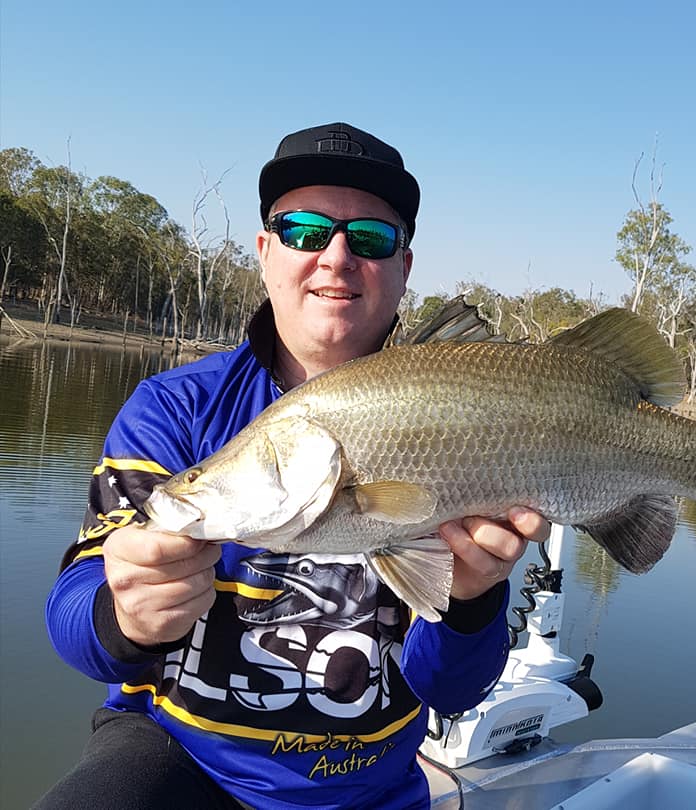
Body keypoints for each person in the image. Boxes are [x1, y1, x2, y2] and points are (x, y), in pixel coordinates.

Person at [40, 122, 550, 810]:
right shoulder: (177, 410)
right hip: (178, 762)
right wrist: (122, 615)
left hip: (370, 794)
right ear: (264, 253)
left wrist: (472, 598)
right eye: (304, 230)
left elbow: (453, 691)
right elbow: (73, 619)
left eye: (370, 239)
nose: (336, 257)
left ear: (404, 268)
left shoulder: (466, 420)